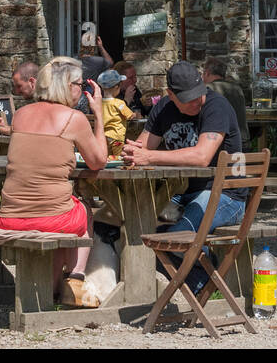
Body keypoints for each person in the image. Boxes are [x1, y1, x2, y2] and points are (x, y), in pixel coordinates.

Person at [0, 56, 107, 306]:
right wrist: (99, 114)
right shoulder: (74, 118)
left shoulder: (20, 114)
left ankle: (48, 291)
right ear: (66, 86)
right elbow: (99, 161)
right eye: (79, 85)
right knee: (82, 211)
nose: (82, 91)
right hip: (49, 217)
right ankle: (76, 280)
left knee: (62, 213)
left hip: (9, 217)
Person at [122, 61, 245, 233]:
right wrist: (133, 151)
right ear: (170, 94)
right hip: (180, 194)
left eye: (199, 94)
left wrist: (148, 157)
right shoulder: (163, 108)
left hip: (225, 195)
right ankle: (194, 259)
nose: (196, 102)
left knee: (178, 233)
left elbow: (201, 157)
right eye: (188, 99)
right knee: (138, 222)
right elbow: (142, 148)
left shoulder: (217, 106)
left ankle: (198, 260)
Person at [201, 56, 249, 142]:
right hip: (242, 140)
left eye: (203, 74)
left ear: (207, 73)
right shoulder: (237, 88)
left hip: (221, 143)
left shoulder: (207, 89)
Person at [95, 67, 134, 158]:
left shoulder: (98, 102)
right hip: (116, 137)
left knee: (106, 156)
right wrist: (135, 114)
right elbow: (130, 115)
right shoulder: (119, 103)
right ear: (117, 87)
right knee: (118, 157)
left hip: (103, 136)